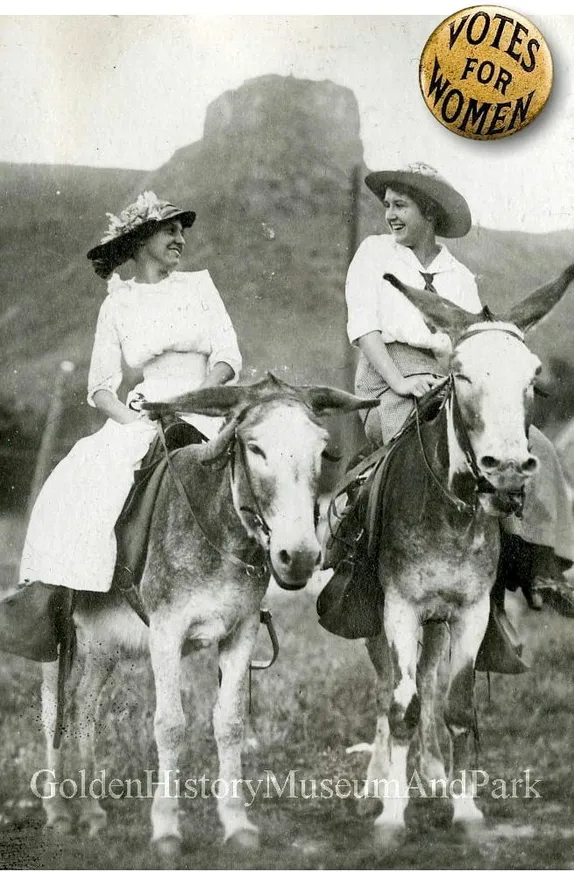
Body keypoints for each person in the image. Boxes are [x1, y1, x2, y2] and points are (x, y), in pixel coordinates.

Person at [342, 162, 574, 664]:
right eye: (387, 205)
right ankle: (361, 566)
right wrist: (402, 380)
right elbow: (364, 330)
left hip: (453, 378)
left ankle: (529, 567)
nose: (390, 214)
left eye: (400, 205)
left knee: (535, 448)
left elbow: (474, 342)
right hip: (389, 377)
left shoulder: (460, 277)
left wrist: (467, 382)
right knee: (413, 448)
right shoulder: (372, 255)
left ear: (429, 212)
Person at [0, 191, 242, 660]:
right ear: (138, 240)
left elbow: (228, 356)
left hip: (205, 405)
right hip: (145, 412)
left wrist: (197, 399)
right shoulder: (118, 304)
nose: (180, 237)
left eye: (182, 229)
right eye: (168, 229)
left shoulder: (199, 288)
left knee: (254, 476)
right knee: (79, 476)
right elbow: (101, 387)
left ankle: (246, 591)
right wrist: (133, 419)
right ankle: (73, 597)